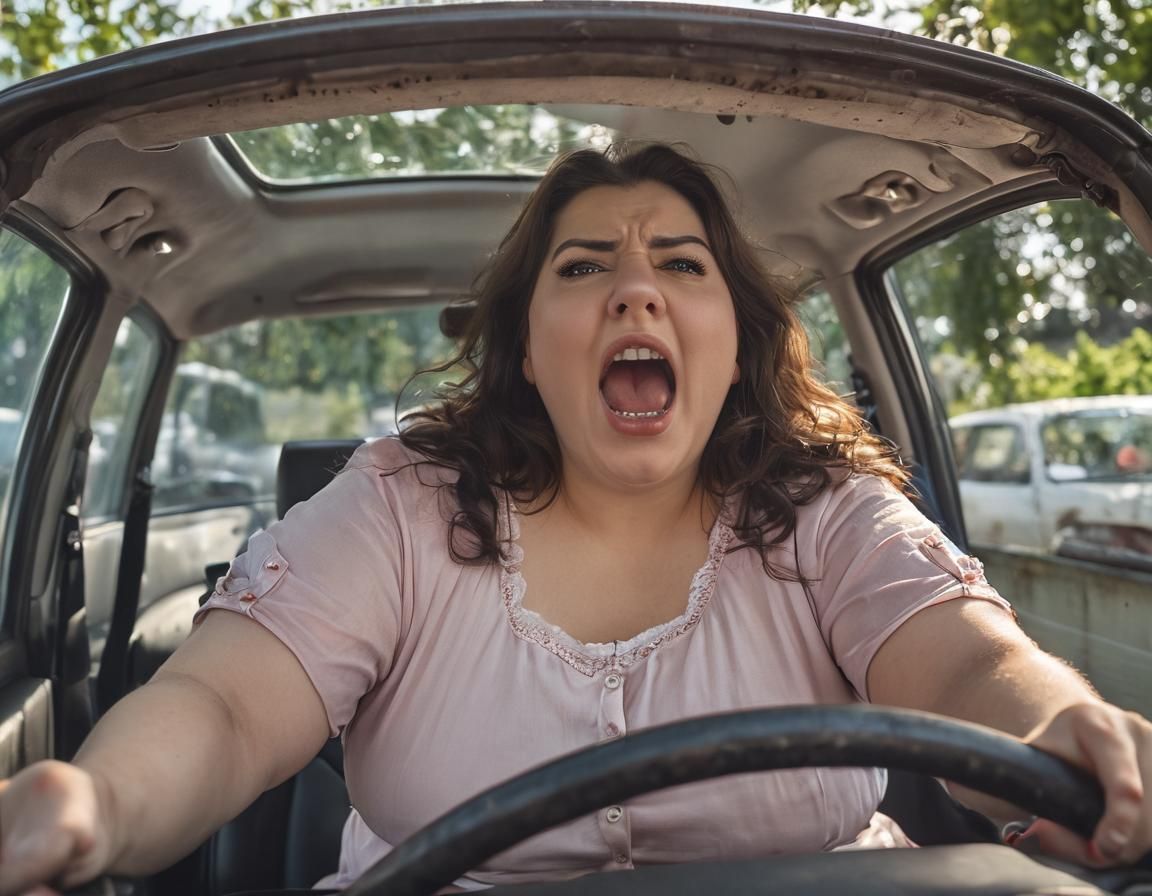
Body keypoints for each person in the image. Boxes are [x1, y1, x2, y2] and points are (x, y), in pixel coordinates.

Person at [1, 143, 1150, 893]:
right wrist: (96, 798)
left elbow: (967, 661)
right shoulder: (398, 504)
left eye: (682, 263)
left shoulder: (827, 506)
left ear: (738, 340)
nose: (634, 288)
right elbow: (224, 705)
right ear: (529, 348)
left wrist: (1057, 728)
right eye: (585, 264)